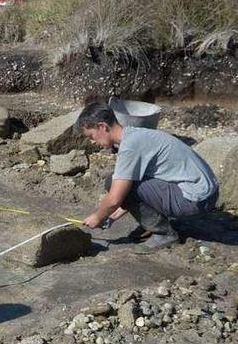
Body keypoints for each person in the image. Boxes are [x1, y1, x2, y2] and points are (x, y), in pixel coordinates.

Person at [76, 101, 219, 254]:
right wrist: (112, 216)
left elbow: (115, 199)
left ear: (102, 126)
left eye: (91, 136)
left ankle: (164, 235)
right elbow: (134, 187)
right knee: (122, 182)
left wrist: (98, 217)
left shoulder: (130, 146)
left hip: (196, 199)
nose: (92, 141)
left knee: (113, 183)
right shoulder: (136, 134)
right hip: (206, 194)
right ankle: (163, 222)